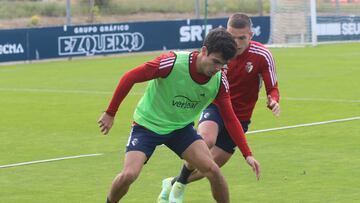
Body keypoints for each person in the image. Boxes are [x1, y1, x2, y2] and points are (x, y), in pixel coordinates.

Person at [98, 27, 260, 203]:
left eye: (223, 64)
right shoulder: (172, 63)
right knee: (129, 175)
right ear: (204, 51)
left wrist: (247, 154)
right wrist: (110, 112)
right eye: (215, 62)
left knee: (213, 170)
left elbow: (230, 118)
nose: (218, 68)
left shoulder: (219, 80)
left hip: (180, 129)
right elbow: (130, 77)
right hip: (147, 126)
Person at [158, 13, 279, 203]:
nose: (237, 43)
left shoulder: (262, 55)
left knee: (211, 168)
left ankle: (173, 182)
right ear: (226, 32)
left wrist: (273, 100)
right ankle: (179, 188)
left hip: (241, 117)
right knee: (206, 140)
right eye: (232, 37)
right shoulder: (219, 54)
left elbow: (272, 87)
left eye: (242, 38)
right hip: (216, 106)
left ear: (251, 35)